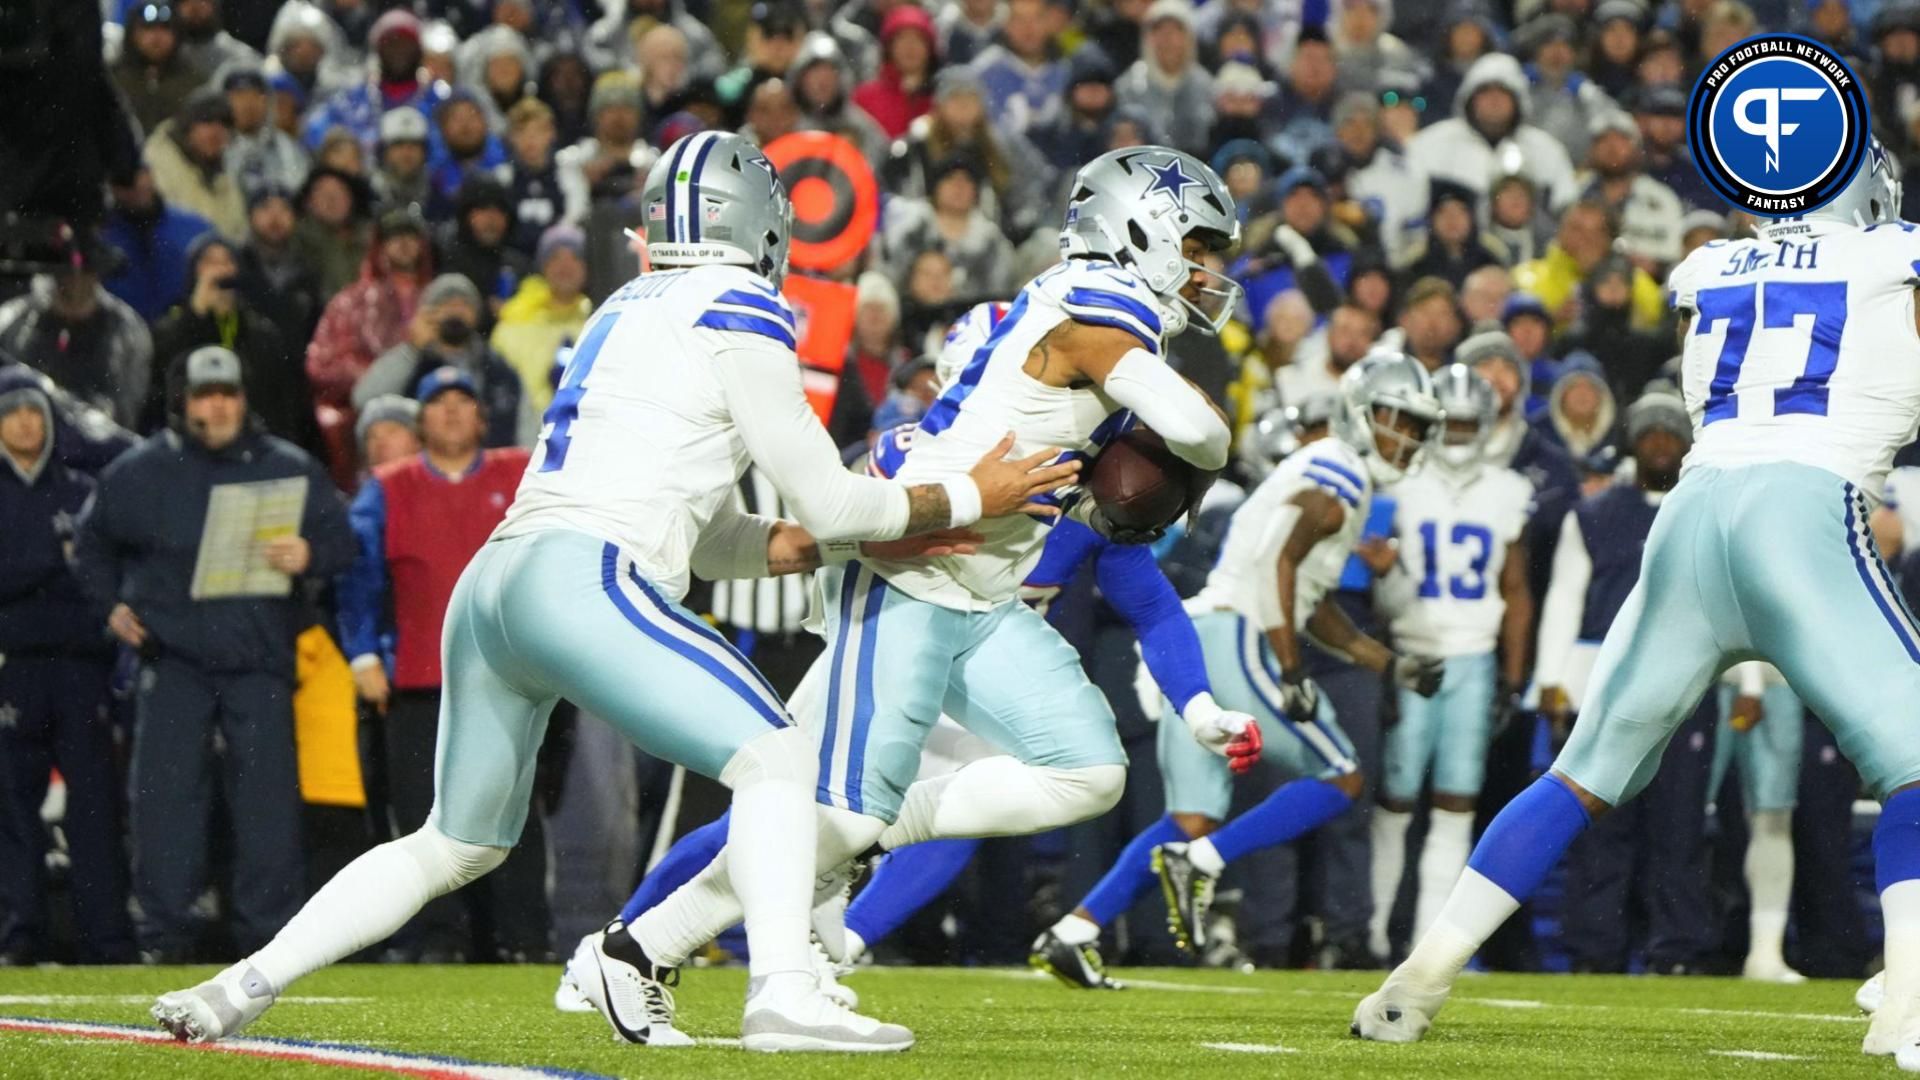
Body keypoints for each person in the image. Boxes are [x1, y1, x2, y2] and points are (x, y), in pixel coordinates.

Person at [151, 130, 1070, 1052]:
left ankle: (239, 987)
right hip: (586, 576)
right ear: (754, 221)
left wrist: (808, 549)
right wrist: (966, 495)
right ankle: (784, 992)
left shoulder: (625, 306)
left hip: (502, 578)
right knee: (780, 761)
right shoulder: (741, 302)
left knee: (456, 843)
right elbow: (828, 493)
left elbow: (707, 531)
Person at [620, 148, 1255, 1028]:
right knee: (824, 812)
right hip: (910, 576)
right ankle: (639, 946)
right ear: (1137, 228)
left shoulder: (1084, 313)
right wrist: (1189, 437)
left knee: (1089, 770)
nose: (1207, 269)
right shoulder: (1091, 303)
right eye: (1196, 243)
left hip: (981, 600)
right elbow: (1198, 430)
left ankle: (875, 835)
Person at [1350, 141, 1920, 1064]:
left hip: (1691, 519)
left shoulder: (1712, 265)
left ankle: (1414, 981)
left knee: (1579, 775)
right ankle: (1910, 1008)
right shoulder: (1893, 255)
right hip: (1804, 508)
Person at [1035, 352, 1446, 974]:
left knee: (1188, 817)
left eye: (1418, 427)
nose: (1406, 438)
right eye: (1399, 420)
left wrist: (1389, 665)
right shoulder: (1341, 470)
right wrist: (1290, 668)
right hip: (1236, 637)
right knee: (1342, 776)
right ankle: (1202, 862)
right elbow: (1281, 561)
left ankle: (1073, 931)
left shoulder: (1328, 470)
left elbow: (1313, 598)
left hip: (1203, 640)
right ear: (1361, 411)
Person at [76, 346, 352, 963]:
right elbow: (89, 546)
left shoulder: (288, 467)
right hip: (173, 662)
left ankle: (271, 943)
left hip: (259, 662)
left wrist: (309, 555)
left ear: (243, 397)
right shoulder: (141, 470)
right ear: (183, 401)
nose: (218, 405)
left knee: (269, 809)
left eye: (227, 393)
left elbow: (341, 541)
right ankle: (164, 937)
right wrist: (109, 610)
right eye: (205, 395)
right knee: (165, 806)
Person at [337, 367, 549, 962]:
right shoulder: (388, 486)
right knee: (420, 814)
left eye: (464, 401)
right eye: (439, 403)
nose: (452, 412)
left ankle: (523, 938)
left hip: (509, 675)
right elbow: (359, 579)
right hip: (418, 678)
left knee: (516, 812)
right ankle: (438, 938)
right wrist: (361, 653)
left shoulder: (522, 474)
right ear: (420, 418)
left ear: (482, 417)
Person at [1528, 391, 1715, 977]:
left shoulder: (1707, 512)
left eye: (1671, 432)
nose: (1661, 441)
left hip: (1690, 682)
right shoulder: (1596, 512)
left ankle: (1674, 950)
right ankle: (1595, 949)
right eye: (1650, 432)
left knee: (1679, 828)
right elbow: (1564, 596)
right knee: (1600, 828)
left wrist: (1752, 684)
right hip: (1605, 686)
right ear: (1632, 441)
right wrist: (1551, 679)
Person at [1367, 365, 1533, 961]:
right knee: (1395, 800)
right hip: (1413, 651)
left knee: (1457, 801)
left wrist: (1513, 678)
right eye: (1452, 422)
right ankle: (1374, 932)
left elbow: (1516, 590)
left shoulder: (1508, 489)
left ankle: (1423, 947)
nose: (1459, 434)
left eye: (1468, 423)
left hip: (1473, 658)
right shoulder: (1397, 485)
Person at [0, 371, 135, 965]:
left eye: (37, 411)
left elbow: (104, 577)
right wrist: (56, 563)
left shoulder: (85, 490)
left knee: (95, 808)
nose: (27, 422)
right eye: (13, 412)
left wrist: (35, 573)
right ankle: (18, 935)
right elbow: (71, 571)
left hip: (82, 668)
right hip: (15, 668)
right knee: (12, 808)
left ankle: (105, 940)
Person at [148, 233, 319, 454]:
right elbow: (162, 378)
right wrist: (195, 315)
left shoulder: (262, 333)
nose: (219, 270)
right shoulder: (170, 326)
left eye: (227, 261)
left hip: (254, 449)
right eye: (209, 261)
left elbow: (285, 407)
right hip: (189, 451)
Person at [353, 273, 534, 448]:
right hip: (424, 468)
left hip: (491, 469)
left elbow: (527, 425)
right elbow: (363, 399)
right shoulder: (412, 360)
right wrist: (411, 350)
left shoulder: (496, 366)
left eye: (464, 305)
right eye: (446, 304)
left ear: (476, 315)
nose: (455, 311)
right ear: (428, 314)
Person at [1713, 661, 1807, 983]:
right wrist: (1751, 684)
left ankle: (1766, 953)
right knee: (1678, 813)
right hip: (1709, 682)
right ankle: (1673, 947)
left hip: (1781, 684)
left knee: (1774, 819)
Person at [0, 240, 153, 431]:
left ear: (98, 274)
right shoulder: (12, 321)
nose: (75, 280)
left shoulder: (126, 330)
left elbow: (127, 409)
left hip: (99, 445)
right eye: (66, 272)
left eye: (85, 272)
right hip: (19, 435)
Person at [306, 205, 434, 411]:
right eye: (393, 237)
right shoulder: (351, 302)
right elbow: (322, 364)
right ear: (379, 246)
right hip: (370, 411)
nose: (403, 243)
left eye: (411, 236)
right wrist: (375, 377)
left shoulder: (438, 297)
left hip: (432, 404)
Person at [1407, 53, 1574, 205]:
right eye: (1485, 92)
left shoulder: (1546, 150)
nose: (1494, 100)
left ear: (1518, 101)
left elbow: (1565, 206)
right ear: (1469, 98)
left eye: (1503, 93)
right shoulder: (1431, 144)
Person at [491, 225, 591, 416]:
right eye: (556, 258)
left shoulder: (603, 323)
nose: (565, 266)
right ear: (543, 266)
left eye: (575, 257)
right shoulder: (512, 327)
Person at [221, 64, 310, 197]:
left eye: (256, 96)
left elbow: (297, 189)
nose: (248, 104)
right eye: (239, 96)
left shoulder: (287, 148)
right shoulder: (215, 144)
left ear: (268, 103)